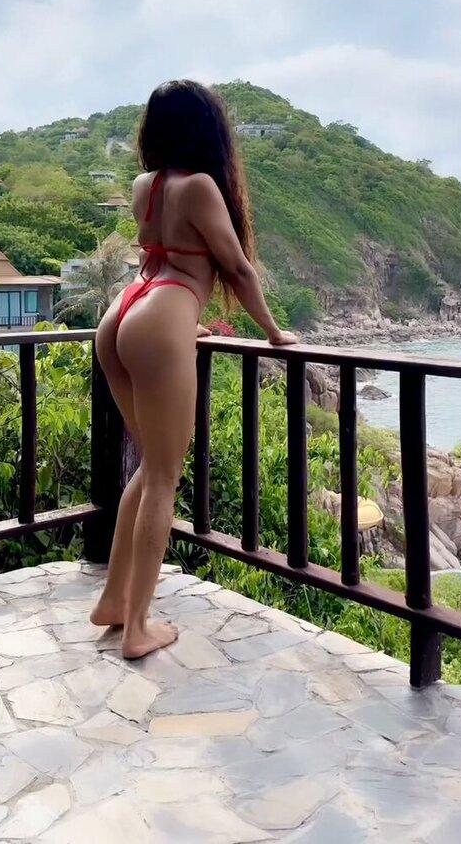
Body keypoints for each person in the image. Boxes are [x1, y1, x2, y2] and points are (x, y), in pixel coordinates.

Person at [90, 79, 297, 658]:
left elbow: (161, 260)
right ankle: (137, 629)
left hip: (124, 313)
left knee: (149, 467)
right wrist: (274, 333)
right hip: (160, 317)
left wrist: (186, 325)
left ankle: (113, 601)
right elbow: (237, 268)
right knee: (163, 477)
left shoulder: (146, 184)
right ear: (207, 130)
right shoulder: (201, 186)